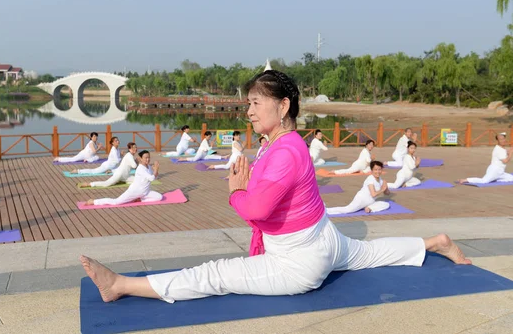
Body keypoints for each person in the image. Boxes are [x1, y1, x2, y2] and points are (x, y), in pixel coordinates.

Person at [80, 69, 470, 305]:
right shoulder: (282, 143)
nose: (248, 111)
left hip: (299, 261)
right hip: (324, 238)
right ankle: (436, 243)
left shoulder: (285, 151)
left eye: (255, 103)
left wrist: (236, 190)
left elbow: (257, 210)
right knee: (368, 253)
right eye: (247, 103)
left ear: (283, 107)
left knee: (215, 274)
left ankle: (120, 285)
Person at [86, 151, 162, 206]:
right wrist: (156, 169)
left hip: (145, 193)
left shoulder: (148, 167)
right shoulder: (140, 168)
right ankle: (94, 201)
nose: (148, 159)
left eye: (149, 157)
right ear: (141, 159)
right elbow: (152, 178)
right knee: (116, 202)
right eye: (145, 158)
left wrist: (156, 170)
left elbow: (154, 177)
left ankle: (141, 199)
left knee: (159, 197)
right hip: (134, 191)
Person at [327, 161, 391, 215]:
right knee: (347, 210)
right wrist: (382, 189)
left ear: (382, 170)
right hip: (361, 199)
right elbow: (373, 194)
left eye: (379, 169)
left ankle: (369, 208)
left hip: (370, 202)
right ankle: (326, 210)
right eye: (375, 170)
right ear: (371, 170)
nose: (378, 171)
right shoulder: (370, 179)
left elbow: (387, 193)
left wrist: (386, 187)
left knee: (386, 204)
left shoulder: (381, 180)